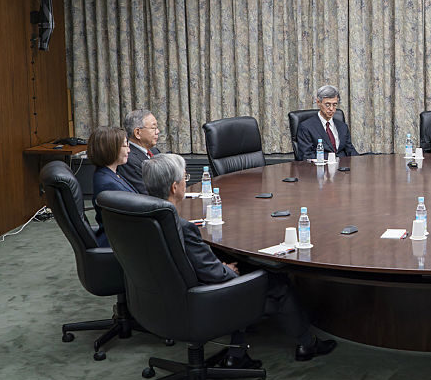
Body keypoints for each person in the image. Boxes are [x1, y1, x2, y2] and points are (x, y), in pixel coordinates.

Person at [142, 153, 336, 365]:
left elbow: (190, 261)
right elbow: (214, 274)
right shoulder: (183, 227)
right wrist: (227, 269)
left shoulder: (147, 216)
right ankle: (307, 344)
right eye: (184, 178)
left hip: (163, 296)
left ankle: (236, 354)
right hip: (200, 298)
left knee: (239, 266)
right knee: (276, 281)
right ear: (174, 187)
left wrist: (220, 265)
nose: (186, 183)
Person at [89, 126, 136, 247]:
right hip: (120, 244)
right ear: (110, 149)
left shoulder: (110, 173)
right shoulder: (107, 183)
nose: (129, 150)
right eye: (125, 146)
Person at [295, 85, 359, 160]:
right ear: (318, 102)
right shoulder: (306, 127)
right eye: (327, 105)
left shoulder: (343, 126)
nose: (331, 109)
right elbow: (306, 156)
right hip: (320, 166)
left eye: (334, 105)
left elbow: (350, 151)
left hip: (344, 165)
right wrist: (332, 160)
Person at [119, 109, 161, 194]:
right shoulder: (128, 159)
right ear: (137, 133)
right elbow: (146, 192)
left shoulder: (155, 152)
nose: (157, 132)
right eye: (153, 128)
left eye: (157, 127)